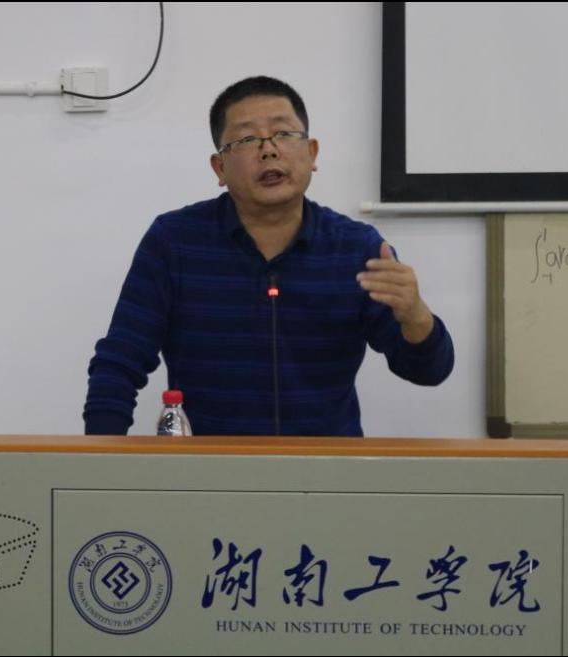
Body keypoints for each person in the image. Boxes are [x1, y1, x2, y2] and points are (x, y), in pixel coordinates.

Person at [84, 76, 453, 436]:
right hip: (206, 468)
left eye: (284, 133)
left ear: (312, 153)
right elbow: (119, 363)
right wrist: (100, 462)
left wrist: (416, 315)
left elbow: (429, 371)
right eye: (247, 139)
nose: (269, 149)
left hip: (327, 467)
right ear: (219, 168)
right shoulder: (174, 242)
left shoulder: (356, 248)